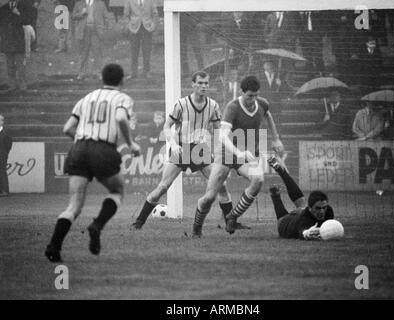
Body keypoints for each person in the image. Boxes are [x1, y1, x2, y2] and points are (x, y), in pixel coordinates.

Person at [44, 64, 141, 263]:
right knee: (117, 191)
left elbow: (67, 128)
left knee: (73, 206)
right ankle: (97, 225)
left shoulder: (86, 98)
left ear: (101, 77)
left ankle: (54, 246)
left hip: (78, 148)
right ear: (122, 80)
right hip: (103, 149)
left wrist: (82, 140)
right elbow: (121, 117)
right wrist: (130, 143)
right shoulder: (122, 98)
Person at [132, 71, 250, 231]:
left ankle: (231, 222)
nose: (203, 86)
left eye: (206, 83)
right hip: (181, 148)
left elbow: (218, 131)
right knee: (163, 187)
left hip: (201, 150)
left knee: (221, 185)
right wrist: (173, 145)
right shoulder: (181, 104)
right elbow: (166, 126)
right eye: (200, 83)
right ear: (193, 84)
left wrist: (218, 151)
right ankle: (138, 223)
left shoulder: (213, 105)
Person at [192, 75, 285, 237]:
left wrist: (276, 139)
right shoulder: (232, 107)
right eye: (250, 95)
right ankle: (196, 229)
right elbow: (222, 136)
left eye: (256, 95)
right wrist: (238, 152)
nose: (253, 99)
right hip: (227, 152)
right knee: (209, 197)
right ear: (241, 92)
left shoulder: (262, 103)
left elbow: (268, 115)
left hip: (247, 152)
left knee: (258, 179)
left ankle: (232, 216)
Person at [267, 156, 334, 240]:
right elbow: (302, 232)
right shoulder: (304, 218)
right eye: (318, 208)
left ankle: (281, 171)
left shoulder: (329, 211)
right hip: (286, 224)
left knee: (302, 203)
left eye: (324, 208)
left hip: (301, 211)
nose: (321, 211)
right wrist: (307, 233)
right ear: (310, 208)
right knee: (281, 220)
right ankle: (275, 196)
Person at [73, 0, 110, 80]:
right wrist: (81, 13)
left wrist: (104, 30)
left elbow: (106, 18)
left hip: (96, 32)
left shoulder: (100, 3)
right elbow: (73, 16)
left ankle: (98, 73)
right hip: (84, 32)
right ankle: (82, 73)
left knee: (97, 53)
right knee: (83, 54)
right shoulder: (79, 3)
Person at [0, 0, 31, 91]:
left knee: (20, 64)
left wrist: (18, 14)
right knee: (10, 65)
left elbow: (28, 21)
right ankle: (12, 85)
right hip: (8, 40)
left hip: (18, 41)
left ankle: (22, 85)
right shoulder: (3, 8)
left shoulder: (23, 6)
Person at [124, 0, 159, 79]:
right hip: (134, 28)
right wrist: (129, 26)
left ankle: (147, 72)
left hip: (147, 28)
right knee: (134, 52)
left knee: (147, 51)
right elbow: (126, 15)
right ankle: (133, 73)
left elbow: (155, 14)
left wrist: (153, 26)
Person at [0, 114, 13, 197]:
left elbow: (9, 144)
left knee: (2, 171)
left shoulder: (6, 132)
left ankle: (5, 191)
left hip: (2, 155)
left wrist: (4, 153)